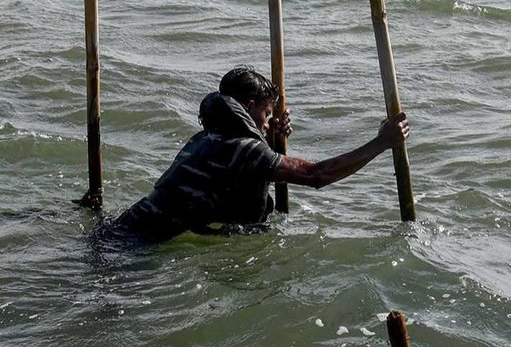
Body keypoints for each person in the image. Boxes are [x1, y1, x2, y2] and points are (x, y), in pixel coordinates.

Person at [113, 66, 409, 242]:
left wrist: (269, 136)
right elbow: (318, 175)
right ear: (250, 106)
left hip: (125, 228)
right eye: (267, 113)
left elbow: (240, 171)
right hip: (137, 245)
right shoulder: (243, 150)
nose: (270, 121)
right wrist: (381, 143)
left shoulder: (207, 138)